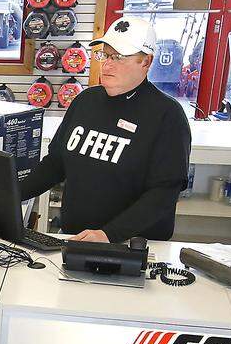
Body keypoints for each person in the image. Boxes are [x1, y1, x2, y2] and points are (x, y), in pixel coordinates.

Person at [20, 16, 192, 243]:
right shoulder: (85, 101)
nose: (107, 64)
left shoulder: (167, 115)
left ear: (146, 62)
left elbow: (163, 194)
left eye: (118, 57)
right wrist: (11, 195)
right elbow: (56, 164)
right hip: (75, 239)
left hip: (132, 245)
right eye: (105, 55)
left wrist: (109, 235)